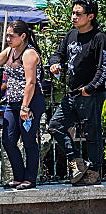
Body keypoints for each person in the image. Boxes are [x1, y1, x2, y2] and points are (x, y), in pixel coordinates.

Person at [0, 20, 46, 190]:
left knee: (28, 141)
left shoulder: (29, 54)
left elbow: (31, 82)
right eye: (7, 35)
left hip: (30, 102)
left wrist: (25, 107)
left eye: (12, 35)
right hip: (12, 102)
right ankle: (19, 176)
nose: (8, 38)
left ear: (23, 36)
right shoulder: (10, 51)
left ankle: (30, 178)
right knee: (8, 140)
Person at [48, 0, 106, 186]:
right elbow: (58, 54)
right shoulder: (71, 34)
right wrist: (55, 63)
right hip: (72, 93)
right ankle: (76, 160)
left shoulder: (99, 37)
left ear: (90, 16)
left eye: (78, 13)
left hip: (91, 94)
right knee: (55, 125)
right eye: (73, 13)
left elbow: (103, 67)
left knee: (92, 133)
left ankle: (95, 170)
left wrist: (90, 89)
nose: (74, 17)